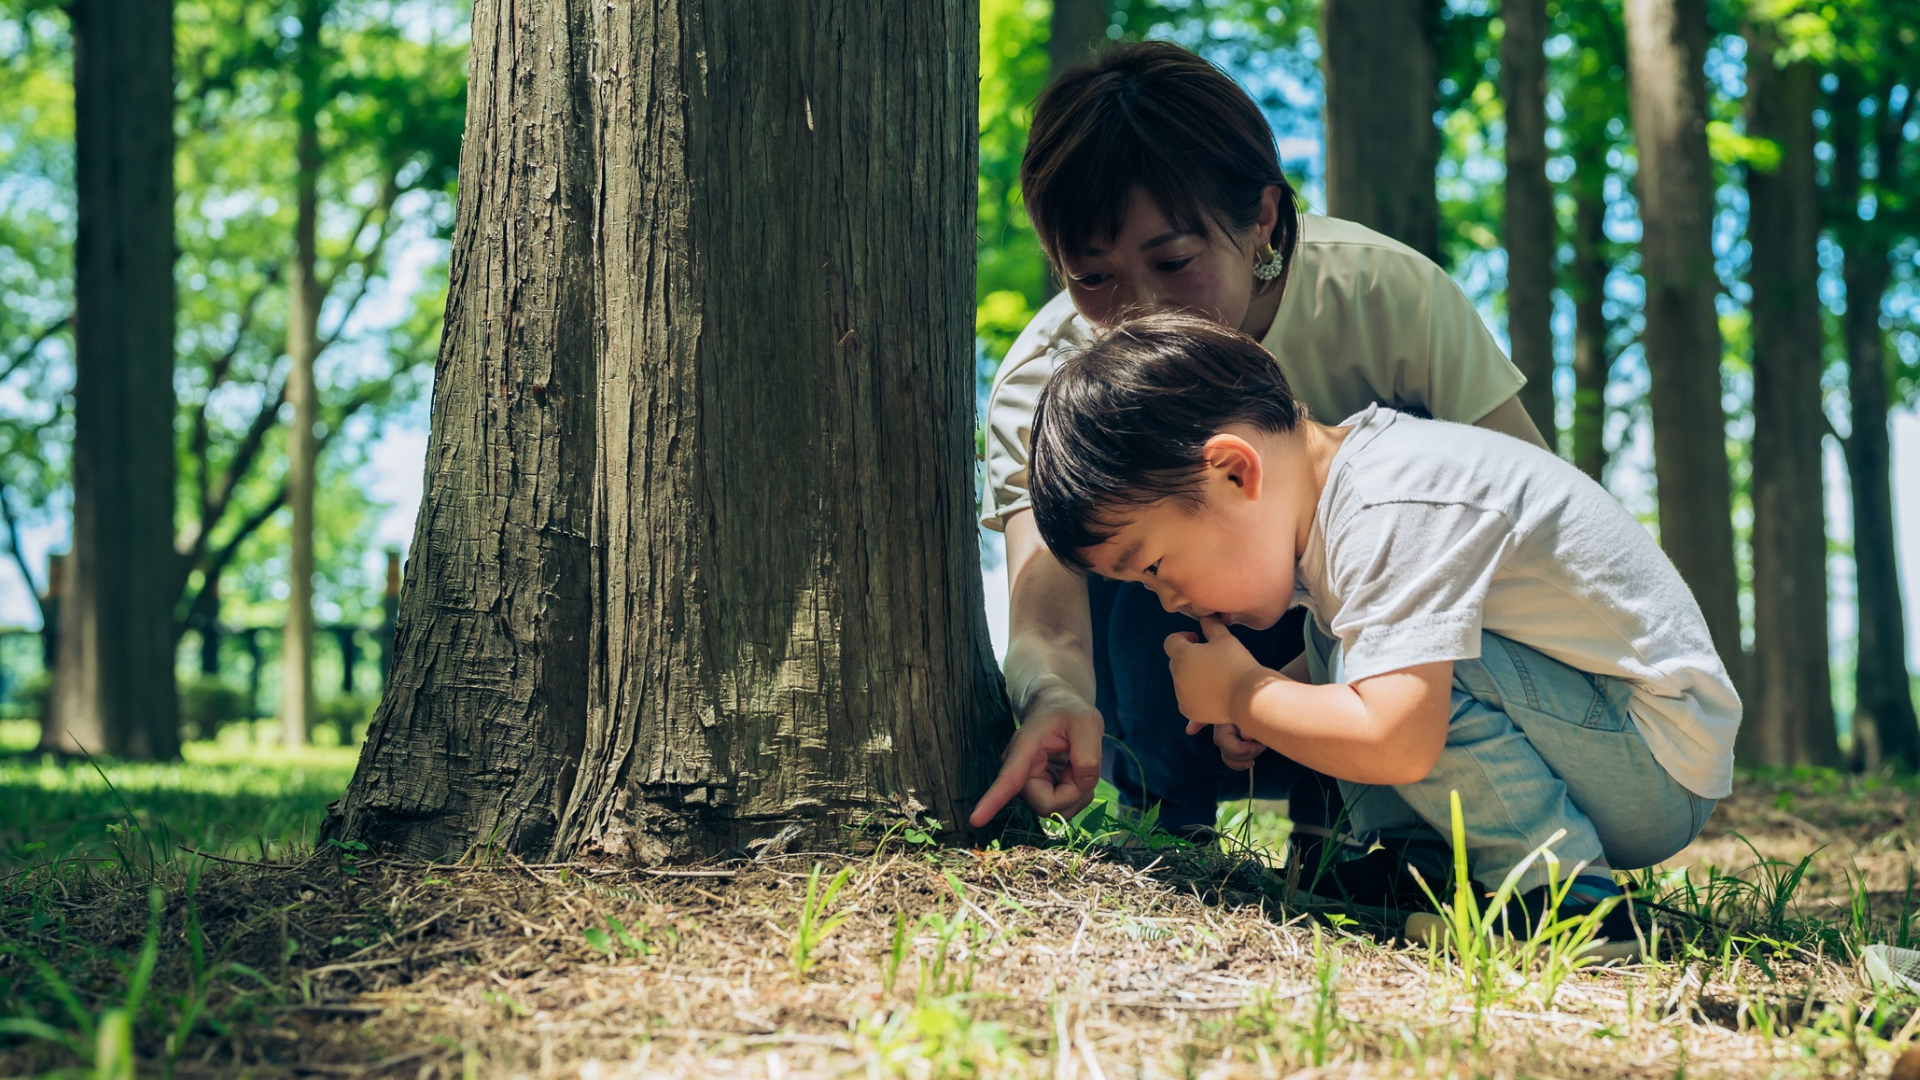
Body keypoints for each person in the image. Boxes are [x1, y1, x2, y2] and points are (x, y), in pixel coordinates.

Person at [968, 40, 1548, 895]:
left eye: (1174, 263)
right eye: (1092, 276)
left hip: (1396, 683)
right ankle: (1168, 820)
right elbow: (1049, 625)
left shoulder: (1386, 299)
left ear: (1263, 221)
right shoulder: (1045, 375)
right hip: (1169, 688)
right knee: (1124, 508)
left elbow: (1523, 502)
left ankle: (1355, 832)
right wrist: (1055, 697)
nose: (1138, 310)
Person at [1019, 312, 1740, 955]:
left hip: (1649, 755)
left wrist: (1247, 694)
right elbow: (1356, 649)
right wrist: (1286, 699)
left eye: (1153, 565)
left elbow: (1398, 735)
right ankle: (1423, 868)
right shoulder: (1350, 499)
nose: (1168, 599)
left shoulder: (1387, 500)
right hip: (1601, 736)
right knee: (1360, 653)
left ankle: (1562, 897)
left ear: (1235, 473)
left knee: (1400, 677)